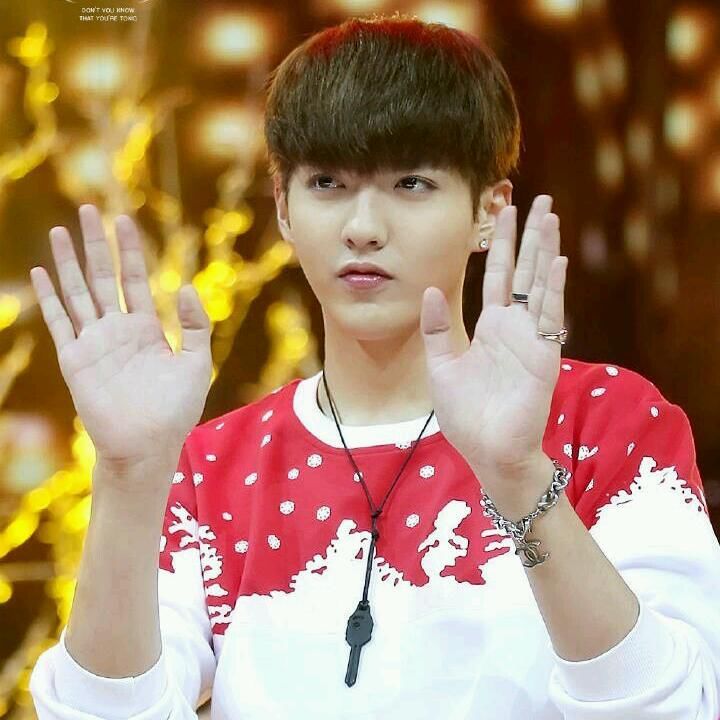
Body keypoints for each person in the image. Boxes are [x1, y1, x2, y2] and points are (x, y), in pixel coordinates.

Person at [27, 13, 720, 720]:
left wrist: (519, 479)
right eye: (328, 183)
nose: (362, 227)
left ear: (489, 210)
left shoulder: (606, 423)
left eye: (411, 183)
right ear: (284, 208)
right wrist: (127, 478)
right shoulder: (211, 468)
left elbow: (676, 707)